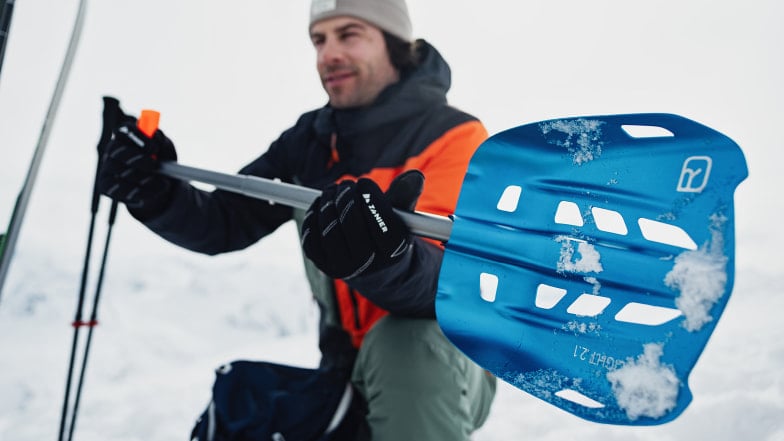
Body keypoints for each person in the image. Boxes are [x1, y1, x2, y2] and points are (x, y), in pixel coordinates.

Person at [97, 0, 496, 439]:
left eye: (349, 35)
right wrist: (157, 193)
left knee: (405, 342)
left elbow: (446, 282)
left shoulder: (456, 136)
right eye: (318, 40)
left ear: (395, 45)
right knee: (242, 404)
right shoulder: (310, 141)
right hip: (345, 368)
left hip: (445, 360)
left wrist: (388, 258)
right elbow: (224, 221)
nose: (328, 55)